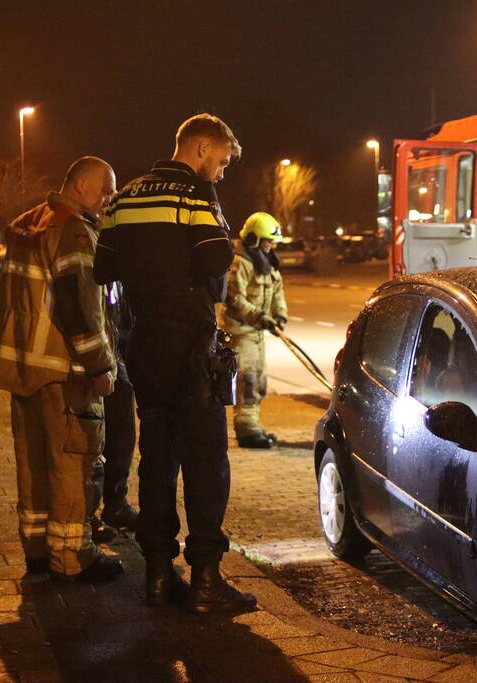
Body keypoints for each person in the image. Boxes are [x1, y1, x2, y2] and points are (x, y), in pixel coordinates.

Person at [93, 113, 255, 613]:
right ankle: (206, 579)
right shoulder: (195, 197)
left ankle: (159, 577)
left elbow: (103, 268)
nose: (222, 174)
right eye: (222, 162)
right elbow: (214, 261)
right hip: (192, 344)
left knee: (157, 456)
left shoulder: (125, 198)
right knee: (207, 461)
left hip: (143, 342)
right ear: (201, 148)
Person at [0, 156, 122, 582]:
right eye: (106, 188)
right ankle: (72, 557)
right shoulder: (73, 231)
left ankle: (38, 551)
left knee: (33, 462)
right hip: (64, 370)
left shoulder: (28, 223)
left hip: (24, 367)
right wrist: (100, 364)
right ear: (80, 185)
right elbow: (77, 306)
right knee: (71, 461)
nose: (109, 198)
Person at [222, 212, 288, 449]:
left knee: (259, 380)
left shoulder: (267, 263)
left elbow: (277, 291)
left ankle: (254, 424)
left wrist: (279, 315)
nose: (270, 247)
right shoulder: (241, 263)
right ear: (253, 240)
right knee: (247, 379)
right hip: (242, 333)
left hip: (257, 333)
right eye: (267, 242)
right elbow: (235, 297)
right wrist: (259, 317)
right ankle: (247, 430)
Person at [87, 278, 139, 534]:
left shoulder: (122, 261)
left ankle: (115, 503)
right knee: (93, 440)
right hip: (97, 362)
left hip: (117, 357)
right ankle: (88, 513)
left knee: (122, 432)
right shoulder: (91, 250)